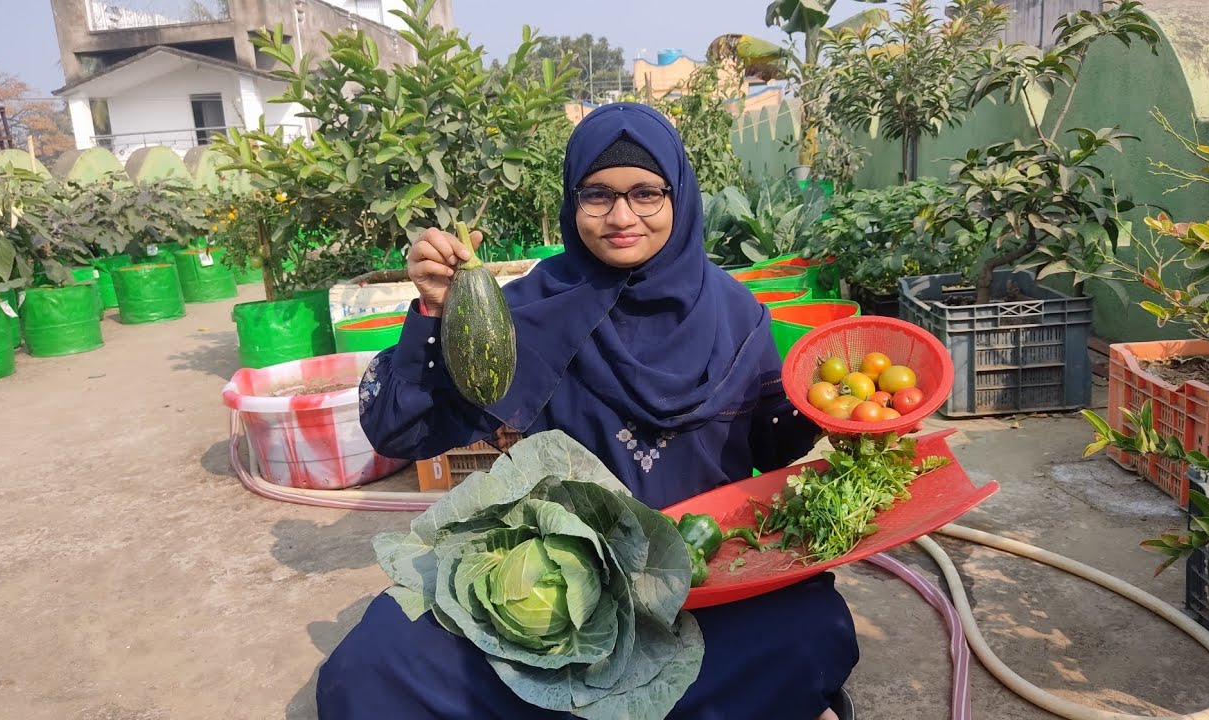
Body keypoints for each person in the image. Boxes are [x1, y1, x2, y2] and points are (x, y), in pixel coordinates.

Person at [317, 103, 858, 720]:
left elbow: (764, 448)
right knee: (371, 668)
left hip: (703, 576)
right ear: (572, 204)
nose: (622, 216)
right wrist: (438, 315)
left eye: (646, 193)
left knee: (809, 629)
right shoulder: (523, 312)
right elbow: (400, 430)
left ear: (679, 195)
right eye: (597, 194)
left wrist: (829, 415)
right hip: (561, 585)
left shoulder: (736, 315)